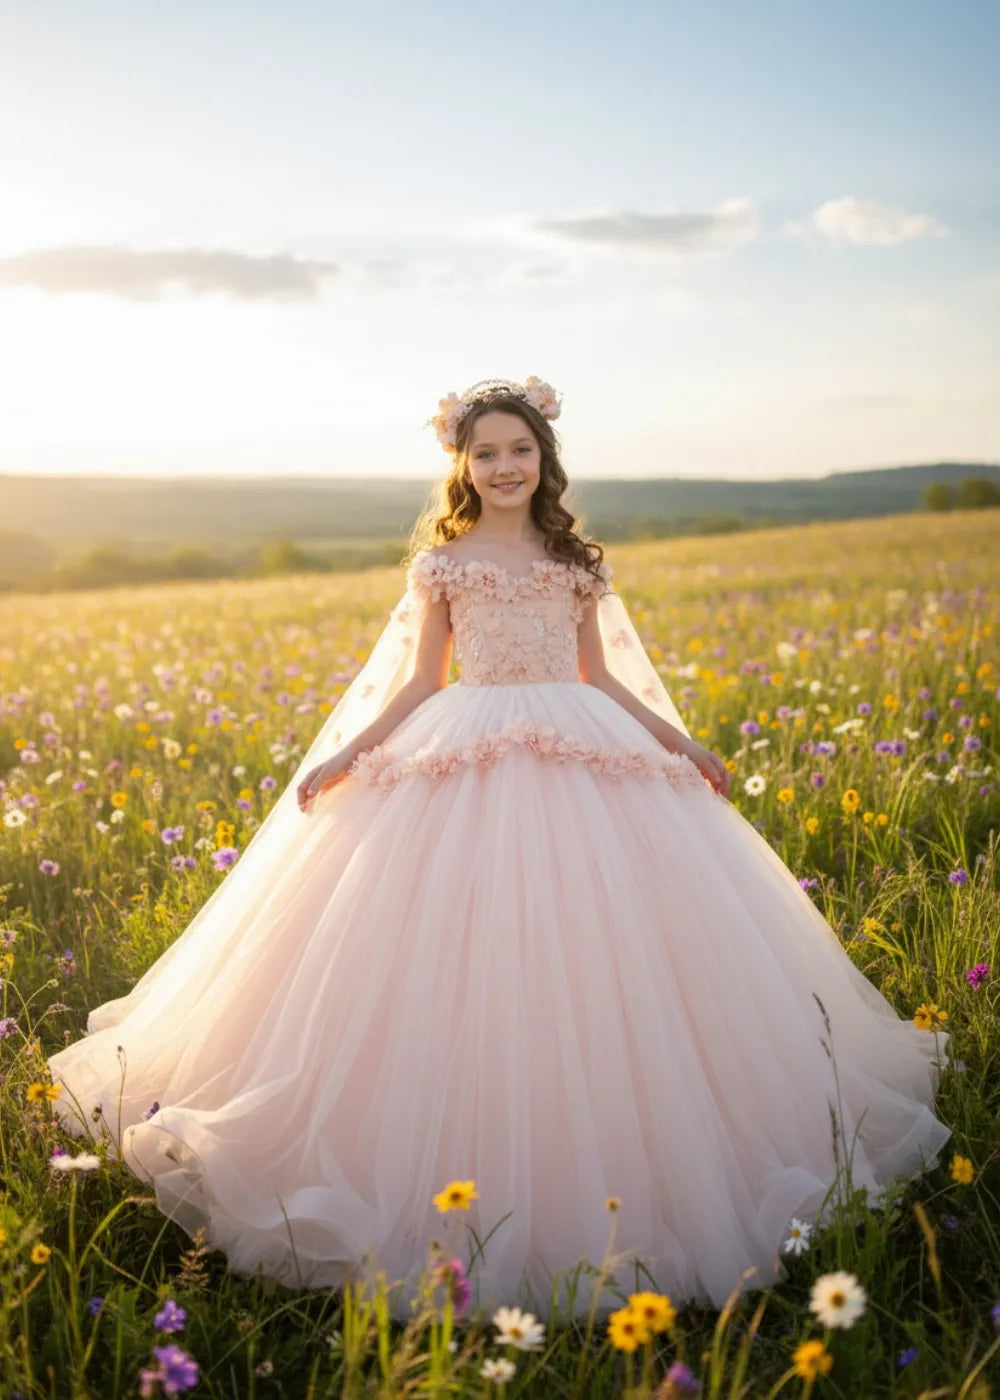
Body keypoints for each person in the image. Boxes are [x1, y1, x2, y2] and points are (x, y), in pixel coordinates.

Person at [46, 375, 951, 1326]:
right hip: (463, 743)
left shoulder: (578, 564)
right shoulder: (441, 566)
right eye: (486, 453)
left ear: (543, 459)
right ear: (463, 467)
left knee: (609, 942)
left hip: (578, 743)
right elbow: (416, 685)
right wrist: (352, 753)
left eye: (520, 450)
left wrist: (675, 740)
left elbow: (600, 676)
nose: (505, 466)